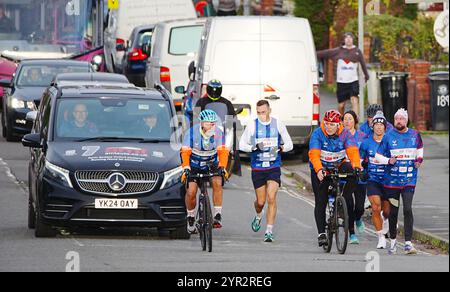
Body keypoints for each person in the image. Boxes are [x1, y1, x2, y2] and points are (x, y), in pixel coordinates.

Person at [239, 100, 293, 242]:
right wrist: (252, 147)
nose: (261, 115)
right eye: (259, 112)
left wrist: (281, 148)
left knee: (271, 198)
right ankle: (258, 215)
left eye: (264, 112)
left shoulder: (278, 124)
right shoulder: (252, 125)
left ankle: (269, 230)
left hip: (273, 167)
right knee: (261, 202)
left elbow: (289, 144)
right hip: (257, 168)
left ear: (270, 110)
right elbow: (241, 144)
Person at [308, 109, 362, 247]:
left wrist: (357, 166)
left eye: (332, 124)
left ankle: (341, 199)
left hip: (339, 164)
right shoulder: (317, 134)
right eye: (326, 124)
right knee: (321, 201)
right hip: (321, 167)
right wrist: (319, 170)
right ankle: (321, 234)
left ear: (339, 124)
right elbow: (314, 154)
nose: (329, 127)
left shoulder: (345, 134)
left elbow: (353, 151)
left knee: (354, 172)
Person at [375, 108, 424, 255]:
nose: (399, 121)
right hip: (392, 182)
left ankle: (408, 243)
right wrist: (388, 160)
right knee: (393, 212)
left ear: (406, 120)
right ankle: (394, 242)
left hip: (409, 180)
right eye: (397, 119)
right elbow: (378, 156)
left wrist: (419, 159)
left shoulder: (415, 135)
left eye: (402, 119)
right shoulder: (388, 136)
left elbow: (420, 148)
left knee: (408, 209)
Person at [181, 109, 230, 233]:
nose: (212, 126)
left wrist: (223, 167)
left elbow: (223, 151)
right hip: (194, 164)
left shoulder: (218, 133)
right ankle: (191, 216)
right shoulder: (191, 132)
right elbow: (185, 152)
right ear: (202, 123)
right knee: (191, 192)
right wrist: (186, 168)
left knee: (217, 182)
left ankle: (217, 215)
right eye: (209, 123)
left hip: (211, 163)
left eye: (213, 123)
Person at [317, 32, 370, 117]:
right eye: (347, 38)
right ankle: (341, 122)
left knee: (354, 100)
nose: (348, 39)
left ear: (353, 40)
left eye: (350, 38)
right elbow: (325, 53)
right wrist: (313, 53)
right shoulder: (338, 51)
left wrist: (366, 76)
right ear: (344, 40)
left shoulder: (357, 51)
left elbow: (363, 64)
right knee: (341, 105)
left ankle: (354, 123)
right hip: (341, 82)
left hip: (353, 81)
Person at [195, 79, 240, 176]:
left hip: (221, 129)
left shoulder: (227, 103)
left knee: (234, 144)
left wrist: (232, 123)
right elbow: (195, 117)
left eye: (217, 90)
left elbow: (231, 117)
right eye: (212, 89)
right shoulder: (201, 101)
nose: (214, 92)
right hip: (205, 130)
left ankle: (231, 167)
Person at [359, 111, 390, 249]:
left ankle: (387, 219)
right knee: (376, 207)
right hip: (373, 179)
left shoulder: (390, 141)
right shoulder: (366, 143)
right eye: (376, 124)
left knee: (387, 210)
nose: (378, 127)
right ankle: (381, 237)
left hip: (388, 180)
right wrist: (360, 170)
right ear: (373, 127)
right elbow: (359, 160)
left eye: (381, 125)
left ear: (384, 127)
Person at [342, 110, 367, 244]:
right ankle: (352, 234)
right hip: (345, 175)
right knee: (349, 205)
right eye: (345, 119)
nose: (347, 122)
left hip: (359, 175)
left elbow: (368, 153)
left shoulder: (362, 137)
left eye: (350, 119)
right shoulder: (339, 137)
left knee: (359, 207)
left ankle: (358, 218)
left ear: (355, 121)